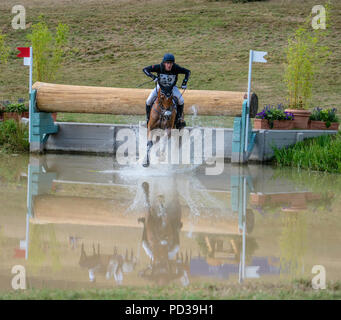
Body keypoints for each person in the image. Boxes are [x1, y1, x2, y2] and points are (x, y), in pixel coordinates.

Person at [143, 53, 190, 129]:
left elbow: (188, 72)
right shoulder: (159, 67)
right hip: (160, 87)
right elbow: (145, 69)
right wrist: (153, 76)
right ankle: (148, 119)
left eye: (171, 63)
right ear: (164, 63)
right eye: (167, 63)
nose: (169, 65)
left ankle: (178, 120)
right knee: (148, 101)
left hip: (171, 88)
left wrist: (184, 82)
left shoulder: (176, 68)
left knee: (181, 100)